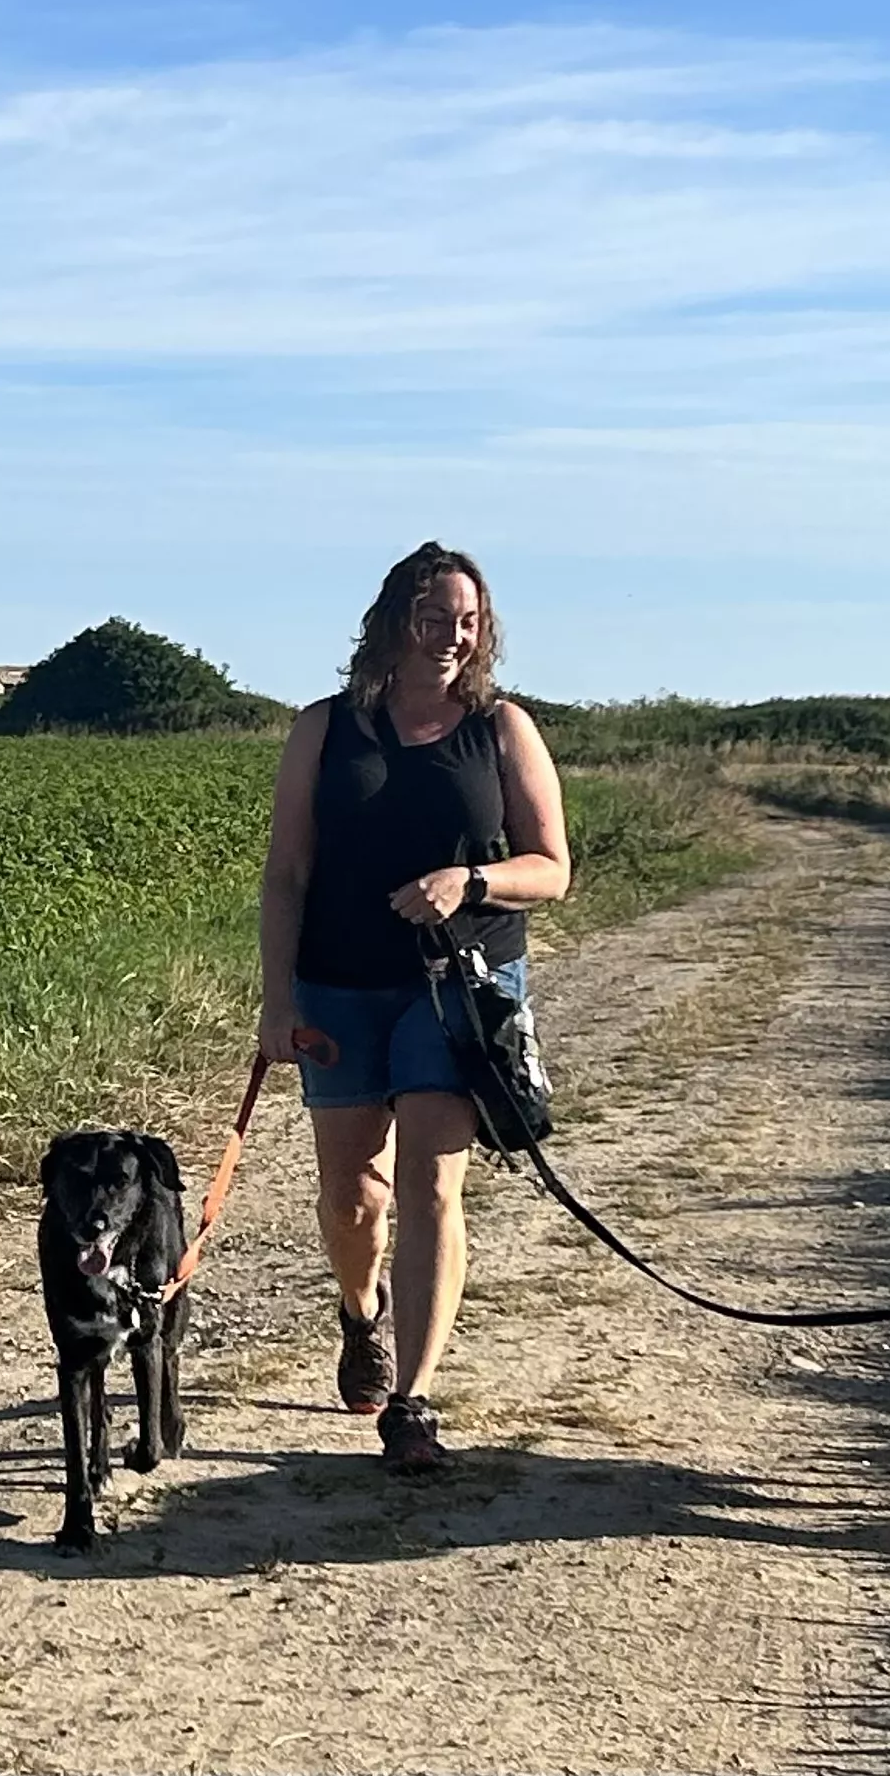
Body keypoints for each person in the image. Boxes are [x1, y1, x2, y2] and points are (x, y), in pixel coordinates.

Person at [258, 541, 571, 1473]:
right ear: (394, 620)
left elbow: (550, 869)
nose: (451, 636)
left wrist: (468, 879)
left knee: (433, 1182)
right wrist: (276, 1001)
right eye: (434, 617)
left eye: (467, 621)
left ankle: (414, 1399)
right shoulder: (325, 729)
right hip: (338, 983)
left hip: (462, 989)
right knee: (355, 1193)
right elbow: (286, 873)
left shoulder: (503, 729)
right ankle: (363, 1314)